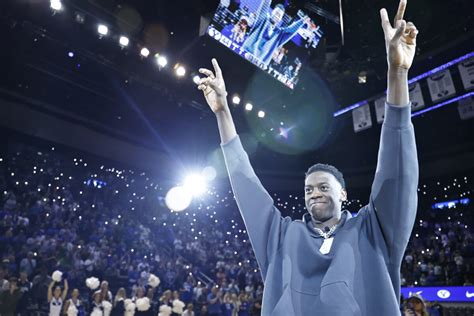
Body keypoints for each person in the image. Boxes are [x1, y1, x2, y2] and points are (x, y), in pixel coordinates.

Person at [196, 0, 419, 314]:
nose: (314, 193)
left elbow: (397, 171)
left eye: (323, 187)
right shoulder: (282, 236)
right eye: (309, 189)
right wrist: (222, 115)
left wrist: (397, 73)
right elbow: (246, 188)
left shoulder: (374, 230)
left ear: (343, 193)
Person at [241, 0, 310, 67]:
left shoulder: (279, 34)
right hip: (248, 56)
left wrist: (303, 21)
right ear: (272, 12)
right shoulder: (262, 21)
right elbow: (264, 7)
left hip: (259, 63)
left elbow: (290, 31)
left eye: (280, 15)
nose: (277, 16)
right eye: (276, 12)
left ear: (280, 19)